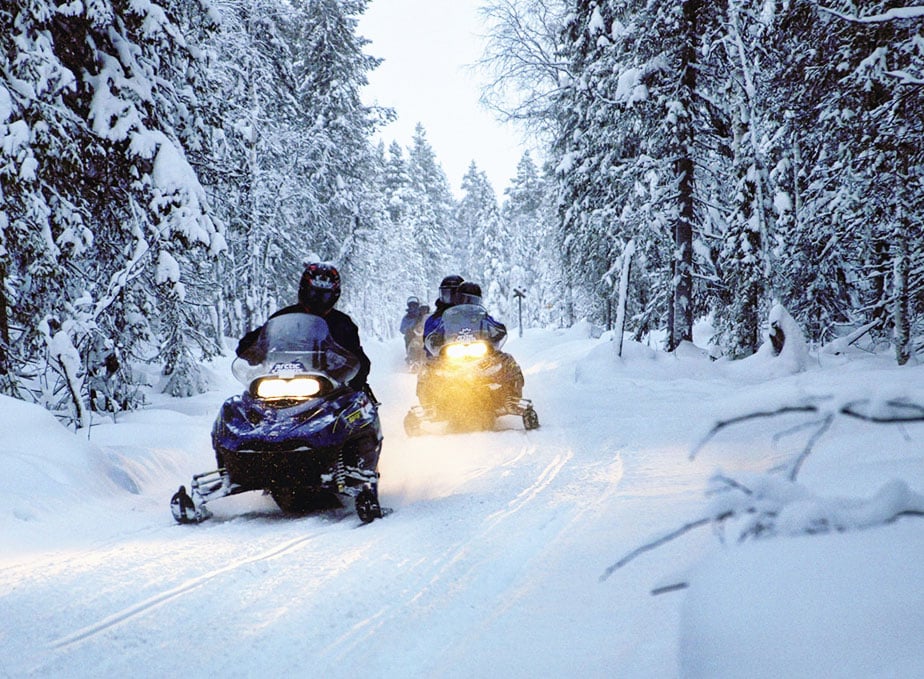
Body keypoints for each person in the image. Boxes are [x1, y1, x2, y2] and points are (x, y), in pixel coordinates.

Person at [235, 262, 380, 480]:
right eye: (314, 293)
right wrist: (253, 350)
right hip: (283, 381)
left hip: (329, 386)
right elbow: (254, 342)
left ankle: (360, 471)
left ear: (334, 294)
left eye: (324, 294)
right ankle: (236, 467)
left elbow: (359, 360)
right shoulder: (284, 318)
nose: (318, 299)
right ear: (304, 289)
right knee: (238, 408)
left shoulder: (342, 323)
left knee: (358, 406)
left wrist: (346, 370)